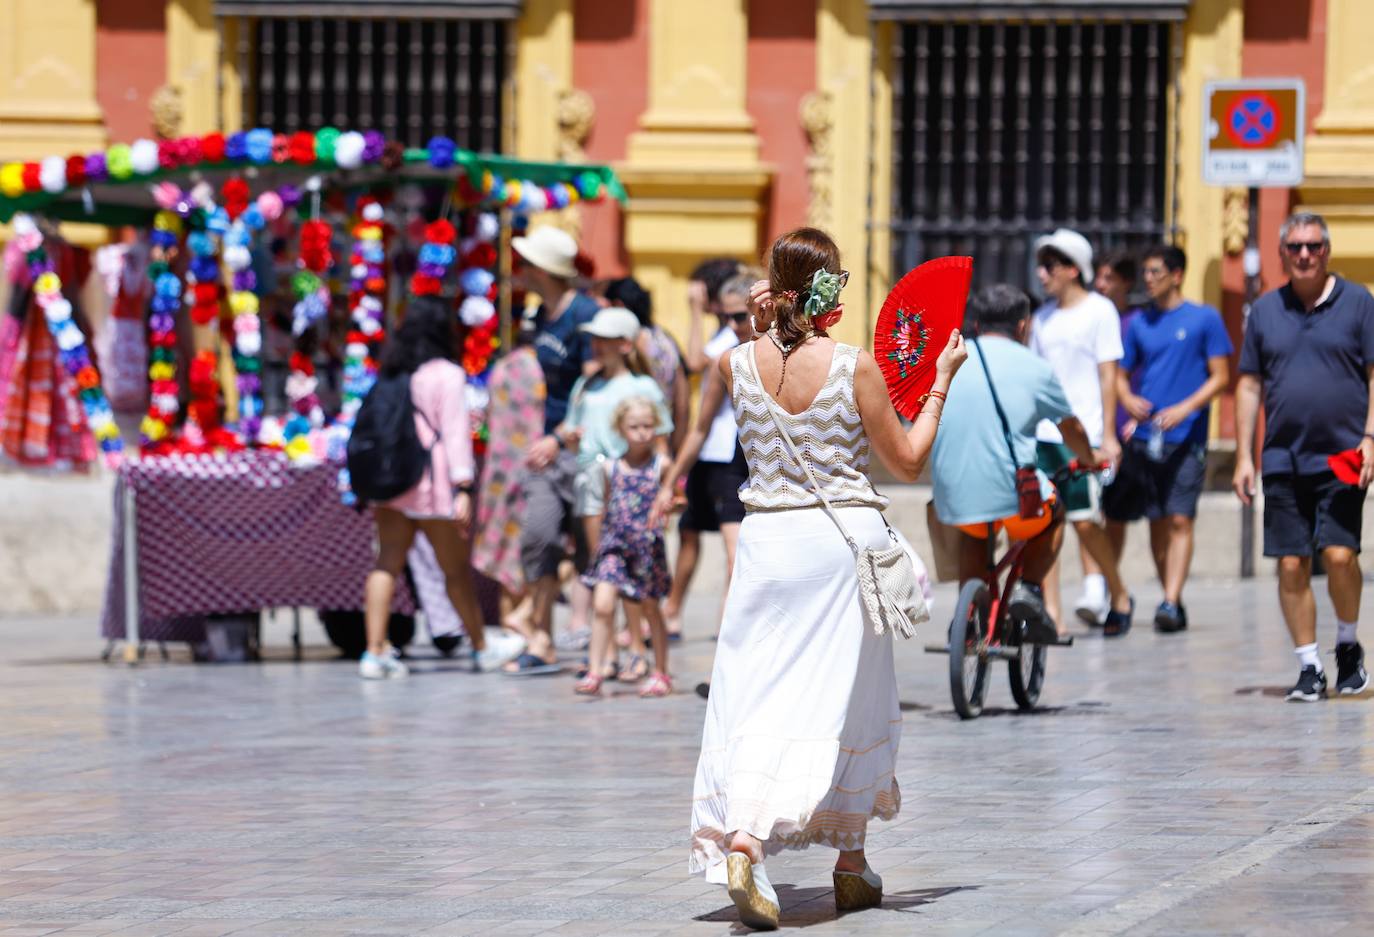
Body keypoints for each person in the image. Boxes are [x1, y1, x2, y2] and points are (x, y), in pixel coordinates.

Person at [656, 227, 965, 930]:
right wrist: (942, 381)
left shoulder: (731, 363)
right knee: (845, 697)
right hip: (837, 543)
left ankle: (748, 838)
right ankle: (849, 862)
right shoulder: (854, 365)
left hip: (766, 542)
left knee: (758, 692)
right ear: (829, 288)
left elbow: (712, 427)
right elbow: (909, 460)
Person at [1233, 212, 1374, 702]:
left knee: (1339, 555)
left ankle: (1348, 643)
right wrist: (1244, 457)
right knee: (1291, 564)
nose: (1305, 255)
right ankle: (1309, 666)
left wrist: (1371, 436)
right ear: (1283, 255)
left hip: (1343, 455)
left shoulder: (1359, 302)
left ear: (1327, 250)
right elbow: (1249, 384)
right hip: (1281, 458)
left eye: (1313, 246)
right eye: (1295, 247)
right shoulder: (1266, 311)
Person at [360, 295, 525, 679]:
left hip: (392, 482)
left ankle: (374, 652)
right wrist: (463, 486)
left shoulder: (395, 370)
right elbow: (455, 433)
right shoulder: (446, 374)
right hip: (430, 484)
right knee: (453, 569)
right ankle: (482, 647)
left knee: (386, 563)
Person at [931, 285, 1099, 638]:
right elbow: (1071, 429)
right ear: (1023, 326)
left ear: (975, 323)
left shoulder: (946, 361)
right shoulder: (1037, 369)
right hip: (1016, 501)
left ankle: (970, 616)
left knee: (975, 533)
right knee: (1055, 516)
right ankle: (1029, 588)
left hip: (952, 495)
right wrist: (1090, 458)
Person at [1106, 245, 1231, 633]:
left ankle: (1171, 600)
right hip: (1145, 439)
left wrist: (1184, 408)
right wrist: (1128, 399)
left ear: (1177, 274)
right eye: (1145, 271)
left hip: (1187, 440)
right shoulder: (1140, 323)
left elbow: (1221, 376)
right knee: (1158, 521)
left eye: (1155, 271)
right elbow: (1120, 376)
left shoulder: (1204, 319)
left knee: (1180, 518)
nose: (1148, 278)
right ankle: (1168, 598)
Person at [507, 225, 602, 676]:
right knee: (539, 536)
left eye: (526, 264)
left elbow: (592, 387)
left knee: (591, 551)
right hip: (547, 450)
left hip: (580, 449)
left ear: (543, 270)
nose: (519, 272)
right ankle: (541, 636)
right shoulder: (539, 315)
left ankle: (602, 645)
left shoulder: (584, 315)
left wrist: (561, 435)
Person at [560, 306, 674, 680]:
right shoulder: (587, 384)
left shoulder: (642, 387)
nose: (595, 346)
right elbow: (572, 426)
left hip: (631, 482)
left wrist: (665, 489)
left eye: (604, 340)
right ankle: (606, 652)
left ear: (624, 344)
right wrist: (567, 436)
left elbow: (661, 442)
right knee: (601, 565)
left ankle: (637, 649)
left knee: (634, 571)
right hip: (593, 477)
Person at [1030, 228, 1134, 635]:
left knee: (1087, 520)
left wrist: (1108, 434)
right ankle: (1053, 616)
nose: (1042, 274)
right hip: (1044, 435)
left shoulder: (1100, 312)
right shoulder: (1041, 318)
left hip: (1085, 432)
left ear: (1074, 269)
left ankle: (1118, 593)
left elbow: (1108, 374)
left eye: (1050, 266)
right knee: (1043, 523)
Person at [661, 272, 756, 638]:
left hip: (769, 467)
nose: (732, 325)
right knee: (725, 555)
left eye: (738, 317)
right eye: (727, 317)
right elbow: (699, 427)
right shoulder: (726, 358)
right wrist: (671, 482)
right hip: (729, 461)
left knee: (747, 562)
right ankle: (725, 653)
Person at [577, 396, 673, 698]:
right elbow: (606, 505)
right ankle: (596, 669)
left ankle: (660, 671)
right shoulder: (611, 468)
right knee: (603, 604)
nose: (642, 432)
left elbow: (676, 497)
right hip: (615, 545)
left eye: (648, 425)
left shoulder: (662, 466)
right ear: (621, 429)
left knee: (649, 609)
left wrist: (670, 505)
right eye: (634, 426)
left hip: (646, 547)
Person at [471, 314, 546, 636]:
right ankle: (524, 628)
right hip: (534, 466)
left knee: (505, 550)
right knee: (527, 553)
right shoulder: (540, 371)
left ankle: (507, 626)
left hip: (499, 470)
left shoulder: (501, 369)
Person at [605, 276, 691, 455]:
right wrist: (678, 445)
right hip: (663, 436)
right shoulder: (665, 338)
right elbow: (682, 397)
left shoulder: (630, 343)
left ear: (619, 305)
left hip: (633, 443)